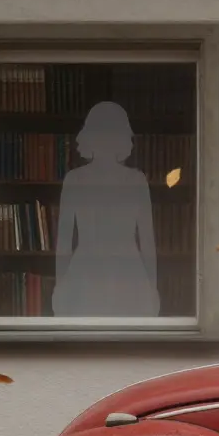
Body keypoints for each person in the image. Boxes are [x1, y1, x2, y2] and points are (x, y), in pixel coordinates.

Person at [52, 101, 160, 317]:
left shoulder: (76, 179)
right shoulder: (135, 180)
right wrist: (152, 287)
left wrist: (60, 285)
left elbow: (147, 240)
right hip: (114, 272)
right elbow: (63, 241)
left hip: (102, 272)